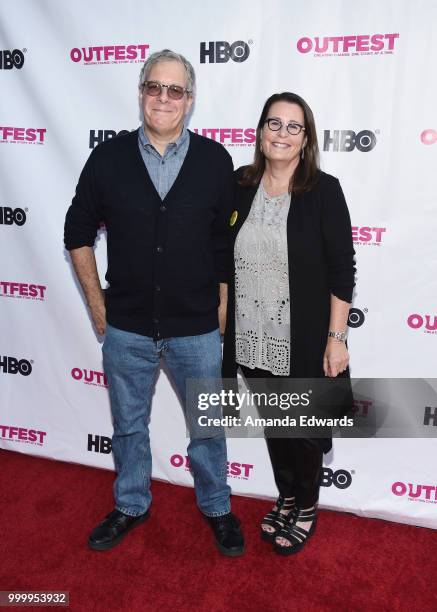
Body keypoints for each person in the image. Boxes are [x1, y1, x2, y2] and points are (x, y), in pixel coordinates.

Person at [64, 49, 244, 557]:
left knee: (208, 429)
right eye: (154, 87)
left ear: (190, 100)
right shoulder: (108, 158)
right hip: (127, 327)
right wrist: (99, 309)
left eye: (175, 90)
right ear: (142, 91)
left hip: (197, 329)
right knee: (127, 427)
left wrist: (224, 307)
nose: (163, 98)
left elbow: (223, 244)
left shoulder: (214, 160)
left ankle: (216, 506)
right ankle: (131, 503)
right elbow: (76, 231)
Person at [222, 92, 356, 555]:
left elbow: (342, 269)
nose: (281, 133)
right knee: (274, 425)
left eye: (292, 126)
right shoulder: (240, 185)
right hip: (251, 334)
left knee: (300, 427)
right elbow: (223, 257)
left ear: (305, 138)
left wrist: (336, 339)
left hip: (301, 338)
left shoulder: (323, 190)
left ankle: (306, 505)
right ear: (260, 132)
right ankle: (286, 494)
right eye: (273, 123)